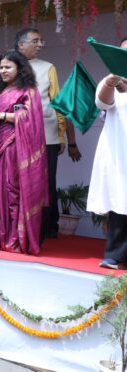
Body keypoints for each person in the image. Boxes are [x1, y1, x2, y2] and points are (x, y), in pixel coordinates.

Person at [0, 29, 66, 240]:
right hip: (1, 140)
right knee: (0, 186)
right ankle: (0, 229)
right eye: (35, 41)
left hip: (42, 135)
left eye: (41, 40)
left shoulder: (47, 68)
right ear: (21, 45)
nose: (40, 45)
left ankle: (40, 229)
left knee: (39, 182)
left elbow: (57, 102)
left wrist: (61, 134)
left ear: (18, 69)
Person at [0, 50, 48, 255]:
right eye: (1, 68)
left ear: (20, 68)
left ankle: (14, 238)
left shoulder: (29, 90)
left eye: (8, 67)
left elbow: (29, 117)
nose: (3, 71)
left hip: (15, 146)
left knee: (11, 190)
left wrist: (1, 115)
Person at [87, 37, 127, 269]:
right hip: (118, 147)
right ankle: (115, 254)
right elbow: (102, 104)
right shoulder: (112, 77)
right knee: (120, 199)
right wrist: (111, 82)